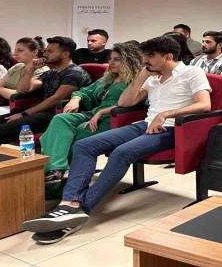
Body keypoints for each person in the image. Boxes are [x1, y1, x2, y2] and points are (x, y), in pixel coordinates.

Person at [22, 36, 212, 243]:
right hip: (144, 125)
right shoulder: (152, 77)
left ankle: (81, 209)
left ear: (167, 57)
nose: (145, 60)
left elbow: (204, 105)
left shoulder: (192, 72)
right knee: (84, 146)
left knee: (122, 152)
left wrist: (166, 114)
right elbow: (125, 102)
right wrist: (142, 75)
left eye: (150, 56)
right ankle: (70, 203)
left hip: (173, 129)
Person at [39, 41, 144, 188]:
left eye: (117, 60)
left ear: (129, 61)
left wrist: (104, 111)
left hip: (113, 119)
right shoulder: (108, 78)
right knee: (60, 119)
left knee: (60, 138)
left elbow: (137, 104)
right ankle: (56, 169)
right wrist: (75, 99)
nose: (111, 63)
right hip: (92, 114)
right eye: (111, 59)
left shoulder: (136, 81)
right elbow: (84, 91)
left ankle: (53, 184)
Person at [0, 37, 92, 145]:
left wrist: (24, 114)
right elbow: (22, 90)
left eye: (50, 51)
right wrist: (30, 69)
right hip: (37, 111)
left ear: (65, 55)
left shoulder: (74, 73)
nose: (45, 54)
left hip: (55, 114)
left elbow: (56, 99)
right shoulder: (51, 72)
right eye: (46, 50)